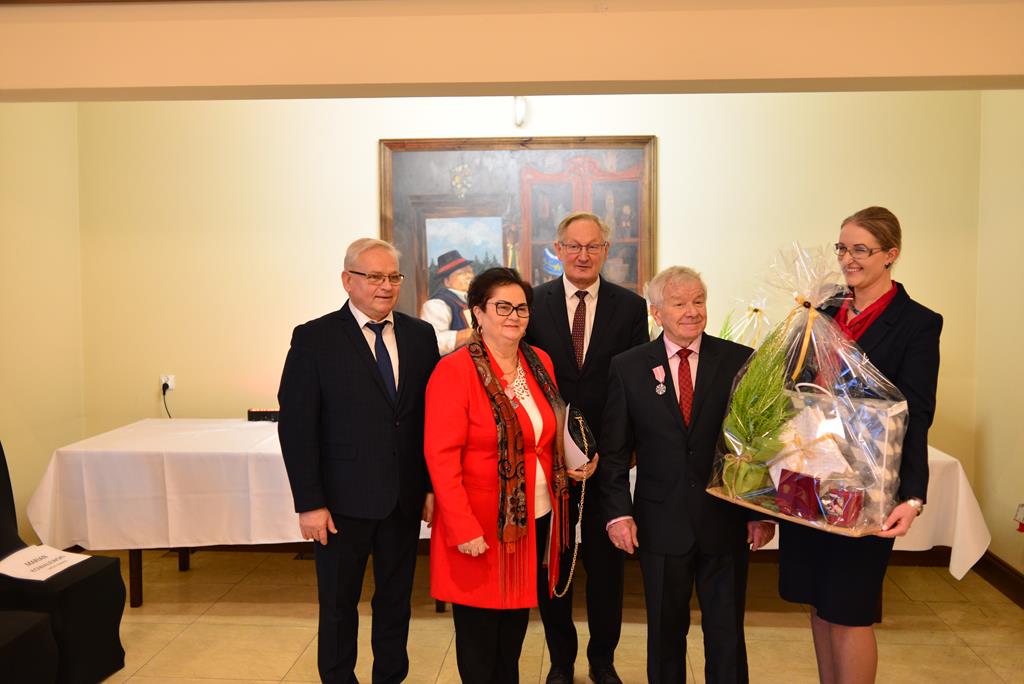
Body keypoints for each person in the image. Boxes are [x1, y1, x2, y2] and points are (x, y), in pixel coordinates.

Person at [778, 206, 942, 684]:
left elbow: (917, 414)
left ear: (891, 254)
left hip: (867, 488)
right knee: (818, 602)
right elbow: (791, 389)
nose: (848, 259)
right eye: (842, 248)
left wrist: (913, 496)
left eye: (861, 250)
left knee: (850, 610)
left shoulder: (917, 323)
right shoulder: (820, 309)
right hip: (810, 476)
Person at [277, 237, 440, 684]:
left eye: (393, 277)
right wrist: (309, 503)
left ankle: (390, 677)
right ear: (347, 280)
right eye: (374, 277)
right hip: (339, 503)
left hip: (402, 499)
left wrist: (429, 486)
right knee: (337, 605)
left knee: (396, 603)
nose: (385, 286)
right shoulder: (314, 338)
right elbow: (296, 427)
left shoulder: (420, 336)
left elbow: (428, 419)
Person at [601, 266, 775, 684]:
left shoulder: (739, 360)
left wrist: (758, 510)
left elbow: (755, 443)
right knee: (665, 631)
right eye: (679, 303)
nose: (692, 311)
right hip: (660, 522)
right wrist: (618, 514)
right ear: (657, 312)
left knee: (727, 631)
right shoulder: (628, 367)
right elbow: (614, 452)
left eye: (698, 301)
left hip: (725, 518)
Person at [424, 267, 591, 684]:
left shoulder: (539, 361)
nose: (514, 316)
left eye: (521, 308)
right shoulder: (454, 371)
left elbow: (545, 433)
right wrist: (463, 528)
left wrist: (573, 458)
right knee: (480, 641)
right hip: (480, 526)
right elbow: (441, 458)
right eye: (502, 307)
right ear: (477, 313)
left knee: (512, 637)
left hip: (531, 522)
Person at [525, 211, 649, 684]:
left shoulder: (630, 307)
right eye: (573, 246)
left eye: (593, 246)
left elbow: (636, 383)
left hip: (607, 461)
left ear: (606, 251)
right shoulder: (533, 303)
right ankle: (561, 660)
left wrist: (619, 451)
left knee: (605, 567)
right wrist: (552, 447)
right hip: (549, 459)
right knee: (554, 565)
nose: (583, 255)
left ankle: (603, 660)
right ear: (557, 250)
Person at [421, 249, 475, 354]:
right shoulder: (436, 304)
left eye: (470, 272)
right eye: (462, 273)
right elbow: (433, 342)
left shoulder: (475, 301)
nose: (469, 276)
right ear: (447, 281)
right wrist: (467, 335)